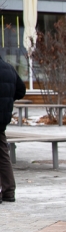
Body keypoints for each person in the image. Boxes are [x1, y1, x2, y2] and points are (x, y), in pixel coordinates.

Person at [0, 56, 26, 203]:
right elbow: (21, 91)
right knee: (3, 155)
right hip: (2, 119)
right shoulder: (9, 68)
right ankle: (9, 191)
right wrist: (7, 100)